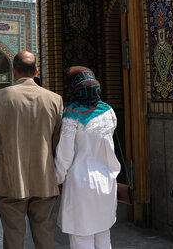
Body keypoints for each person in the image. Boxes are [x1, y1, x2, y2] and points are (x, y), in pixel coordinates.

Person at [0, 51, 63, 249]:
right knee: (44, 233)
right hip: (44, 177)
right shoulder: (54, 99)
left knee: (13, 234)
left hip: (10, 177)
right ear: (36, 71)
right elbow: (58, 142)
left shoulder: (0, 97)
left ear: (13, 72)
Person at [55, 67, 120, 249]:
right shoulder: (109, 112)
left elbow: (65, 157)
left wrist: (56, 179)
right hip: (107, 182)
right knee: (103, 236)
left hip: (80, 184)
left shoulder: (70, 116)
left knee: (81, 239)